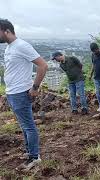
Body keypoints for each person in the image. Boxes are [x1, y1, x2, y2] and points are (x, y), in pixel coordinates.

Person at [0, 19, 48, 170]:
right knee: (23, 125)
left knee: (28, 126)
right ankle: (29, 152)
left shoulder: (22, 45)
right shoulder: (9, 48)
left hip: (21, 92)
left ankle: (34, 157)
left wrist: (35, 87)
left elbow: (43, 65)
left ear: (6, 30)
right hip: (12, 92)